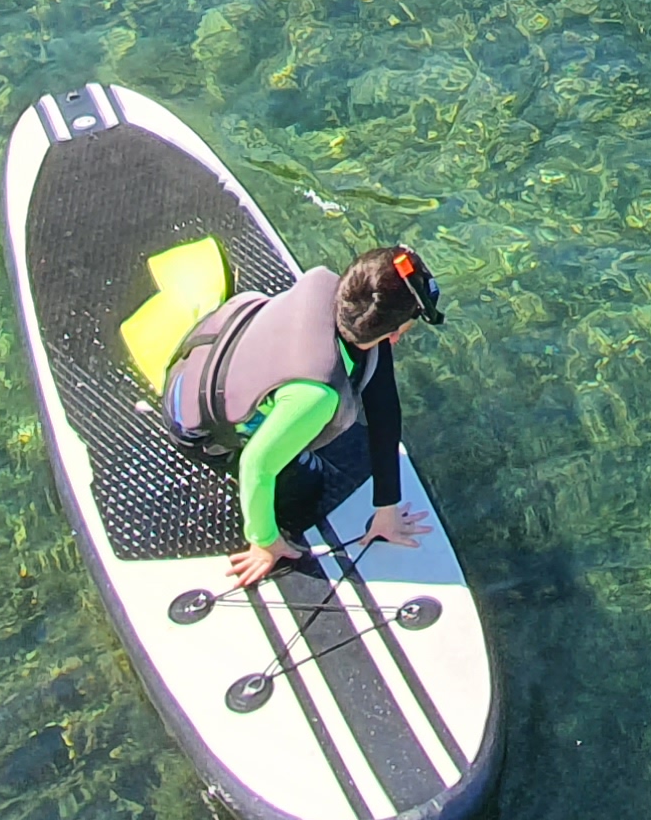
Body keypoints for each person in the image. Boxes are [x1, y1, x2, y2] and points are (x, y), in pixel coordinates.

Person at [163, 244, 445, 588]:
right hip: (195, 428)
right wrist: (264, 542)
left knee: (337, 407)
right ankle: (263, 517)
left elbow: (384, 409)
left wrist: (386, 508)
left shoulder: (328, 286)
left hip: (205, 347)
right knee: (308, 484)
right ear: (395, 334)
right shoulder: (317, 395)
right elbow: (255, 464)